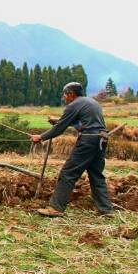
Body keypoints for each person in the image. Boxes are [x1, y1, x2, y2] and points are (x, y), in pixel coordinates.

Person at [30, 82, 114, 217]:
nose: (64, 97)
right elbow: (79, 123)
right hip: (101, 140)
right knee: (96, 175)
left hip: (88, 141)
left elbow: (60, 128)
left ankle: (56, 208)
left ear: (71, 94)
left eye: (65, 94)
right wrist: (59, 120)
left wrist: (40, 137)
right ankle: (106, 210)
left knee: (68, 173)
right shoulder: (91, 102)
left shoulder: (73, 105)